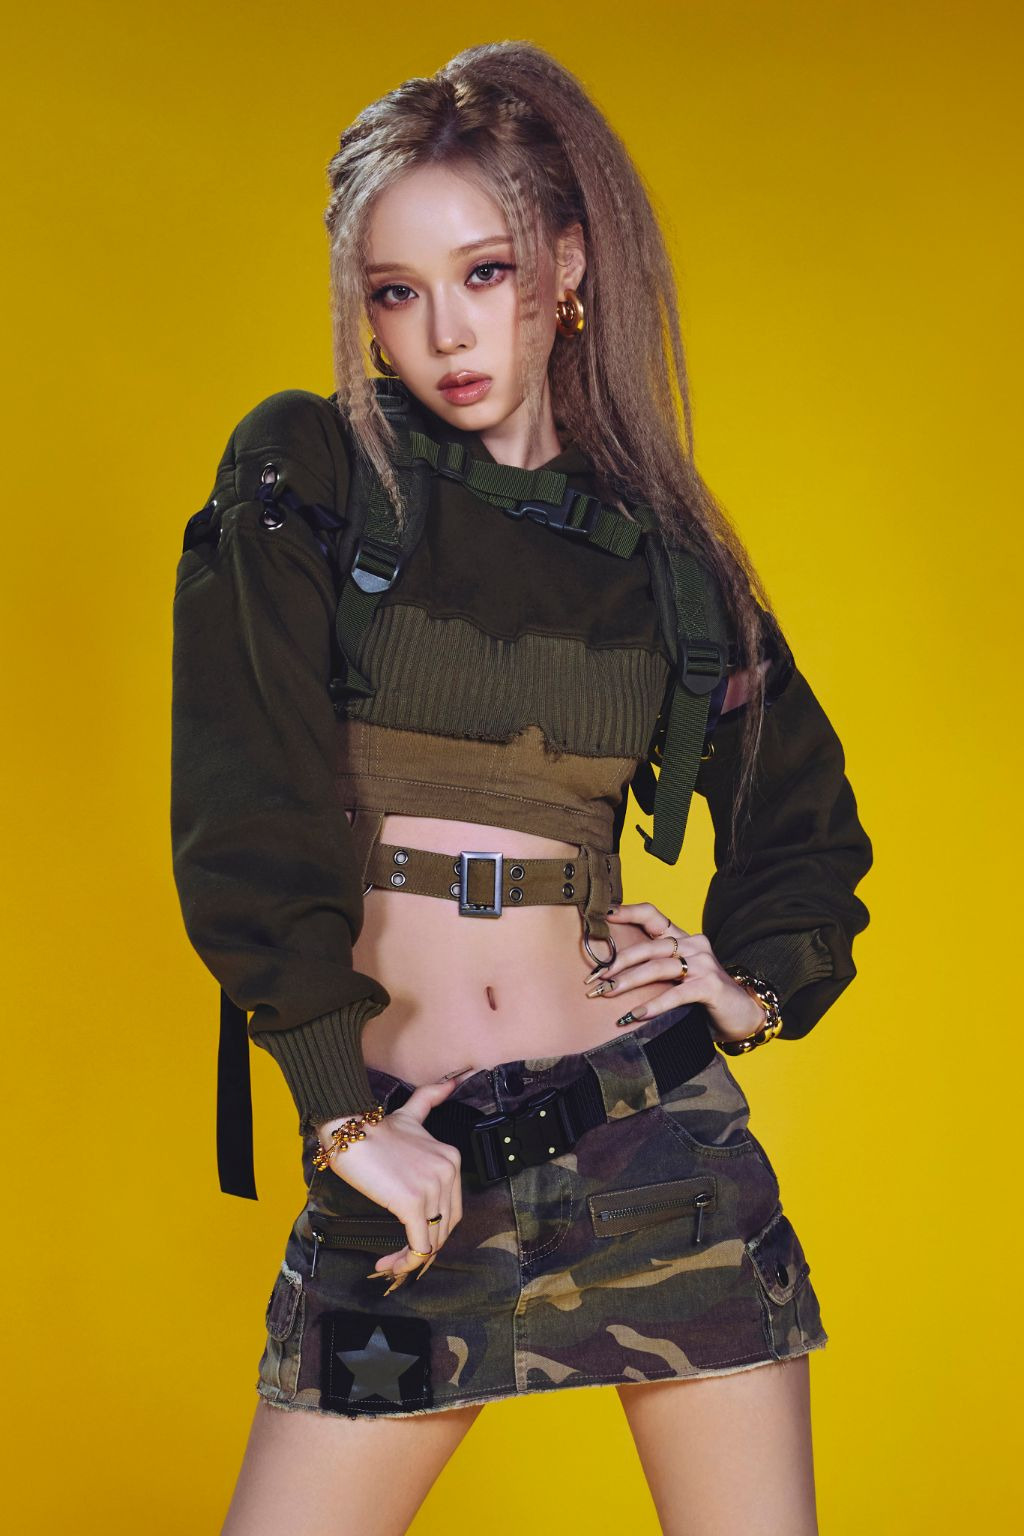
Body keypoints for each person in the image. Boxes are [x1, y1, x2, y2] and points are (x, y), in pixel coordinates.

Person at [170, 40, 872, 1536]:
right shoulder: (313, 472)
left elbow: (803, 822)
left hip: (653, 1151)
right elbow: (245, 809)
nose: (444, 332)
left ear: (566, 265)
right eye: (395, 291)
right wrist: (338, 1117)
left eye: (484, 273)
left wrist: (748, 987)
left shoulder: (663, 561)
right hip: (412, 1163)